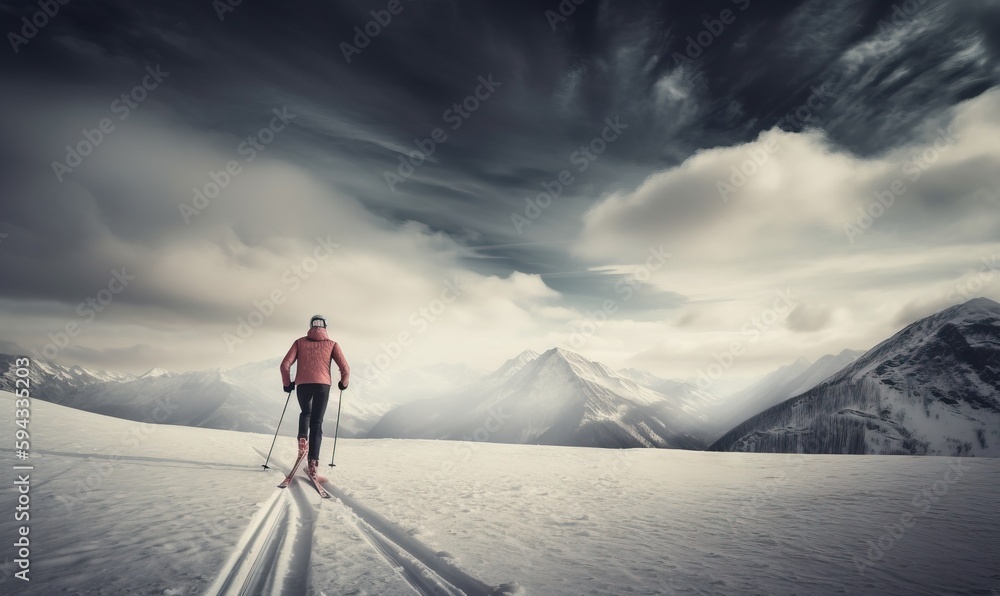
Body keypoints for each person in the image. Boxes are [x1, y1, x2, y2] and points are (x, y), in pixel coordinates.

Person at [280, 314, 349, 478]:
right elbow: (345, 369)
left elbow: (284, 365)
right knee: (317, 423)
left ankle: (302, 439)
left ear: (311, 325)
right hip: (322, 386)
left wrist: (287, 383)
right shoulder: (332, 344)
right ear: (325, 326)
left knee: (305, 412)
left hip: (302, 385)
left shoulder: (299, 342)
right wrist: (343, 384)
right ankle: (313, 464)